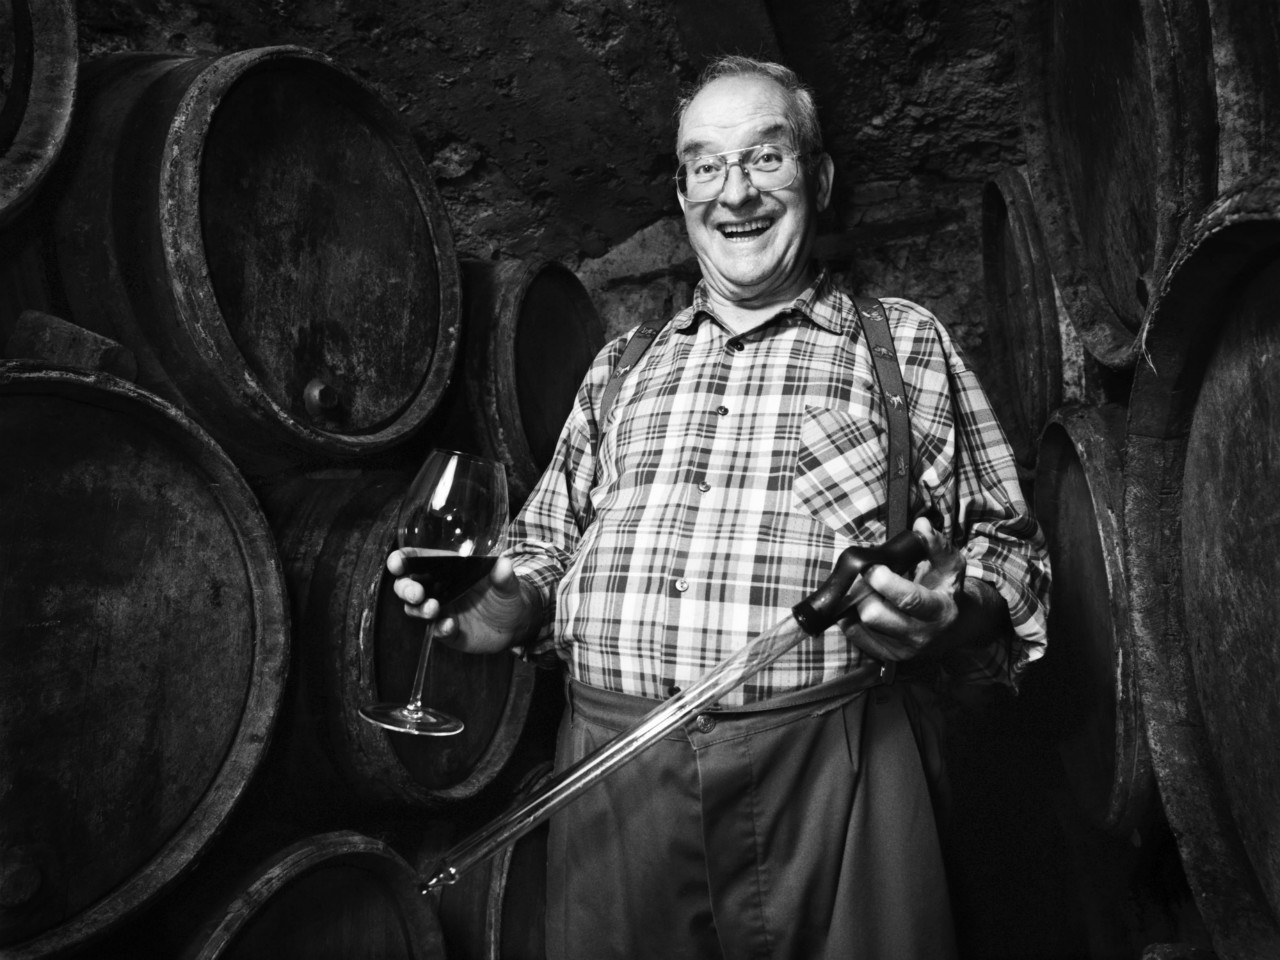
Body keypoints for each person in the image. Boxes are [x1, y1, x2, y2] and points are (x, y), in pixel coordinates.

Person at [391, 55, 1049, 960]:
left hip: (832, 772)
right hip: (610, 780)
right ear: (683, 193)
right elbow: (545, 543)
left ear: (818, 178)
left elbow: (1014, 556)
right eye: (706, 165)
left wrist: (951, 614)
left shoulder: (901, 345)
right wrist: (514, 602)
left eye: (766, 157)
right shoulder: (623, 364)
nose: (735, 192)